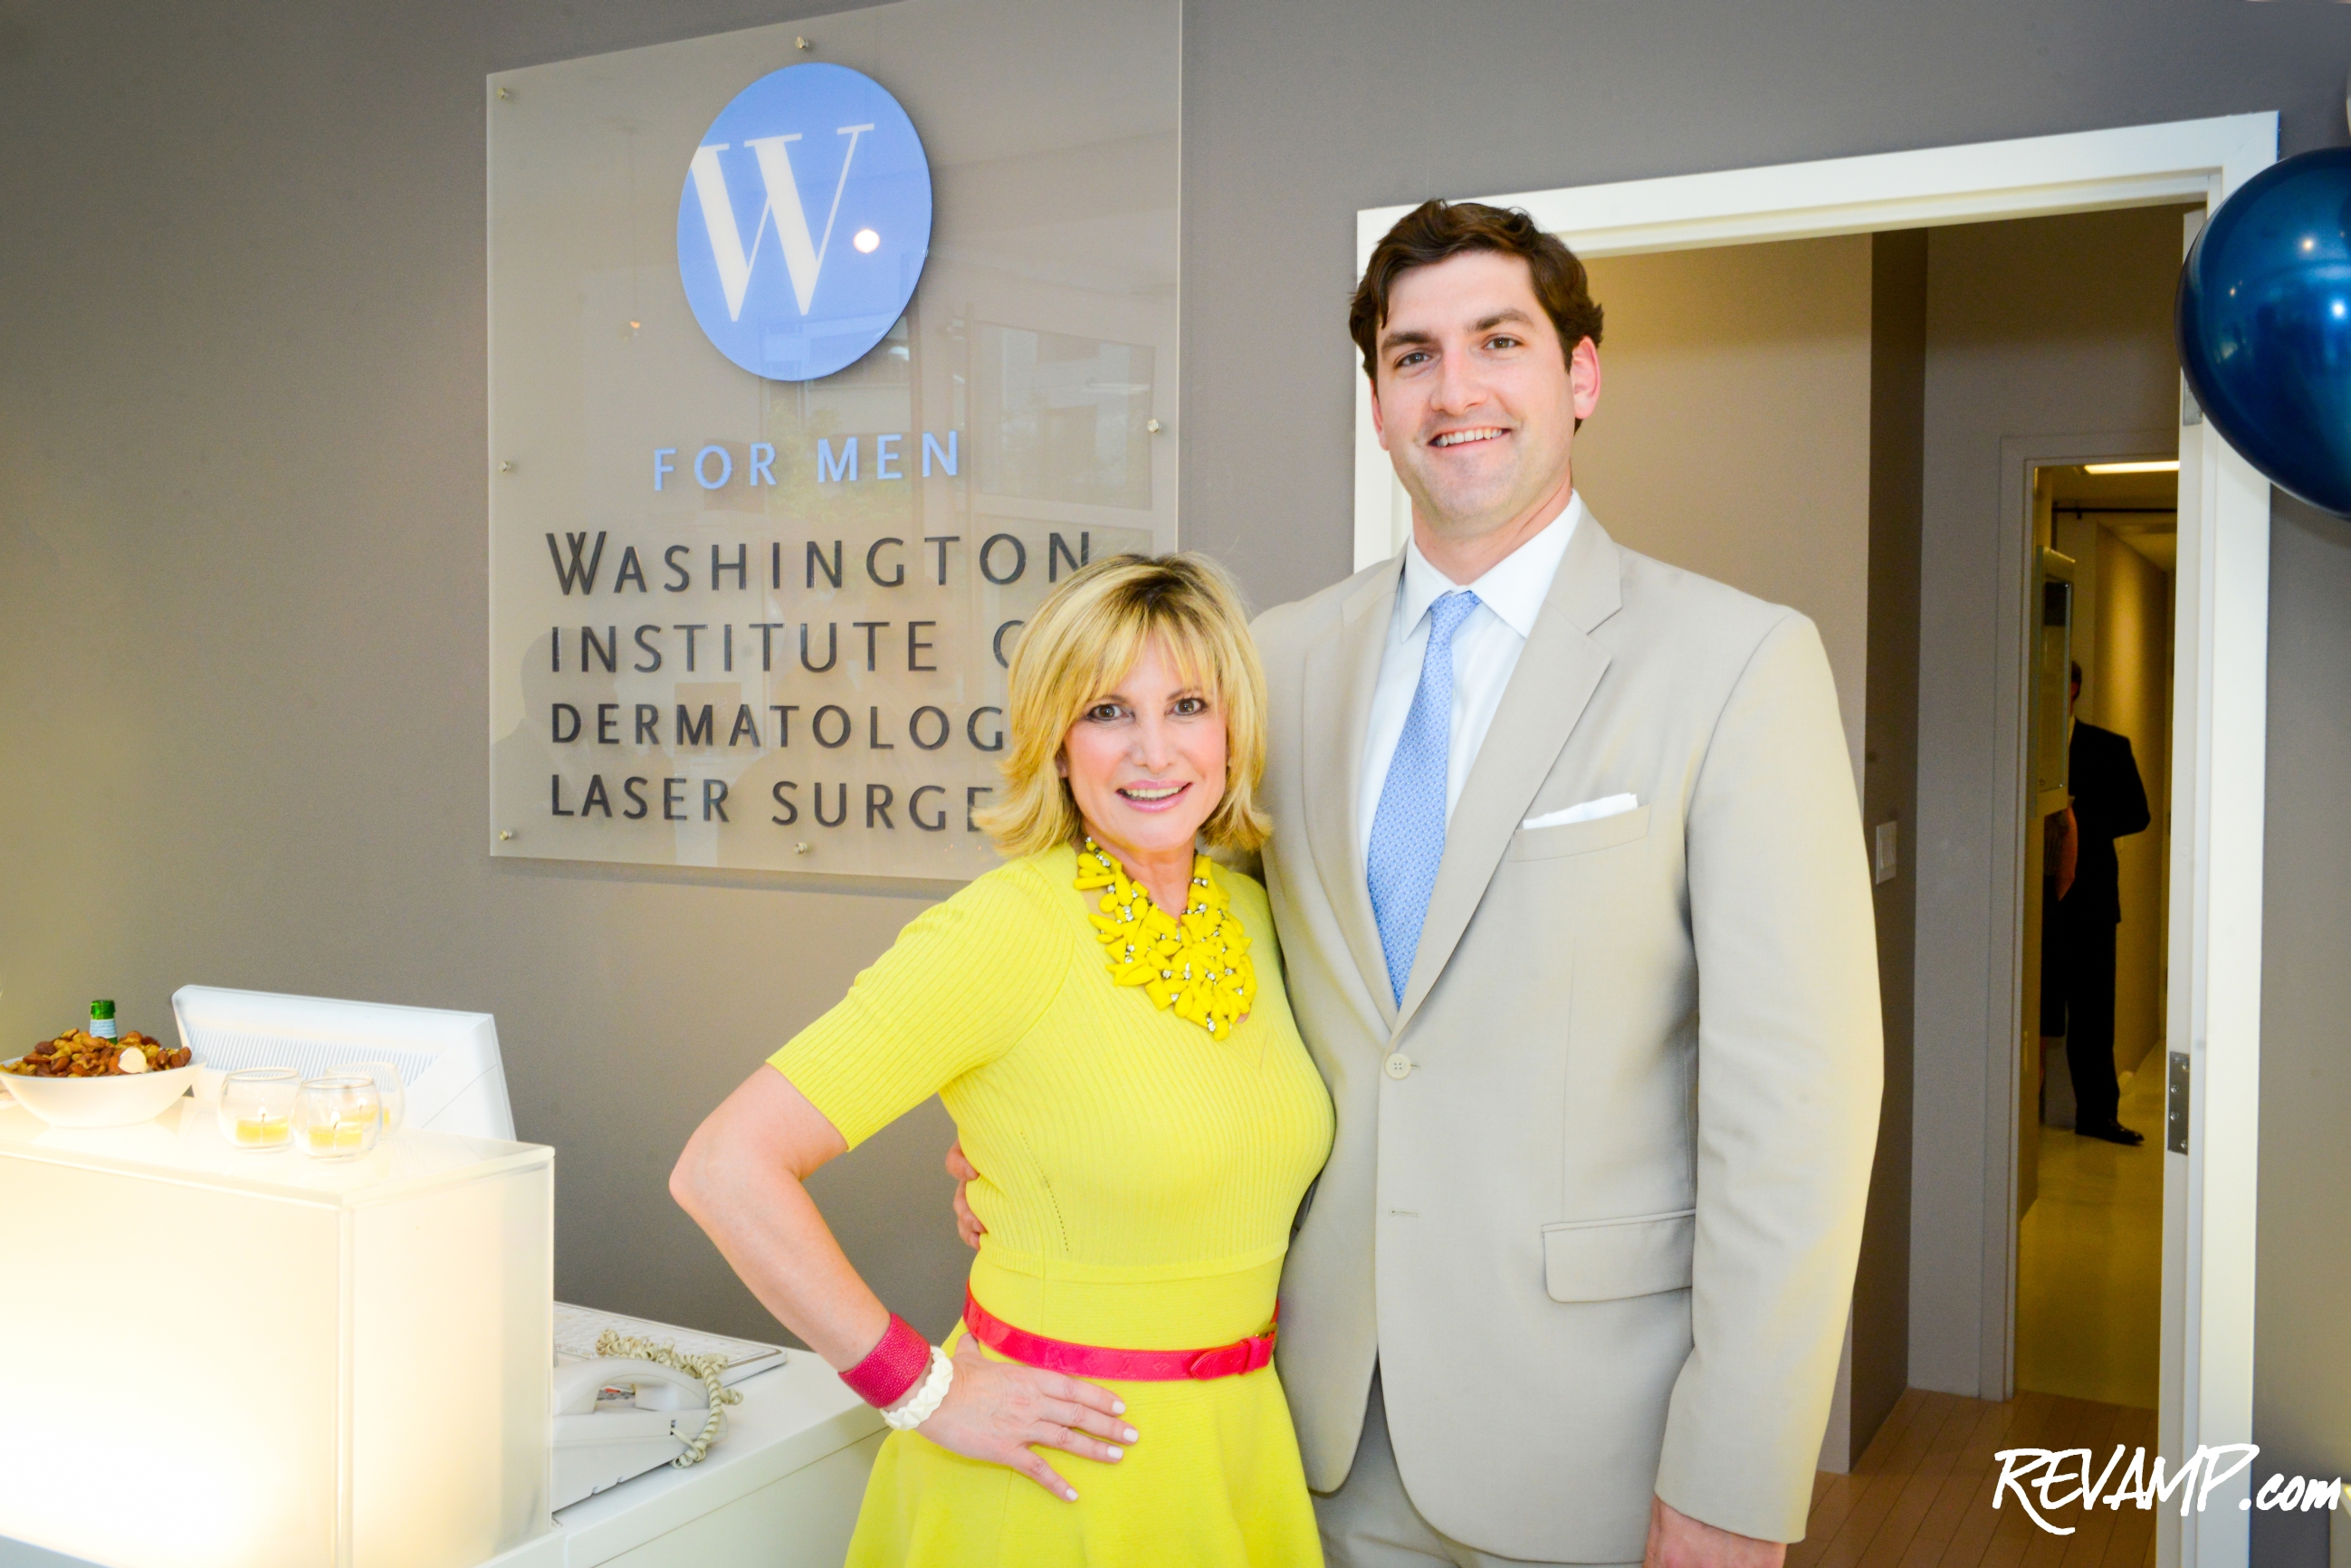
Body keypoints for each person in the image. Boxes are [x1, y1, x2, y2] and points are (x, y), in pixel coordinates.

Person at [669, 553, 1333, 1567]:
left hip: (1234, 1452)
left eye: (1187, 706)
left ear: (1230, 729)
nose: (1153, 750)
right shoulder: (1005, 928)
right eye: (1107, 711)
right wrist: (918, 1389)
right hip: (1052, 1481)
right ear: (1056, 741)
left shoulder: (1254, 911)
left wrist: (1026, 1168)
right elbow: (724, 1167)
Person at [2040, 660, 2152, 1146]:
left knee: (2092, 1011)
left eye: (2054, 683)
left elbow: (2138, 814)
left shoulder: (2109, 747)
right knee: (2036, 1008)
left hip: (2092, 899)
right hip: (2035, 898)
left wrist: (2075, 818)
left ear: (2073, 689)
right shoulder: (2025, 744)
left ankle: (2098, 1115)